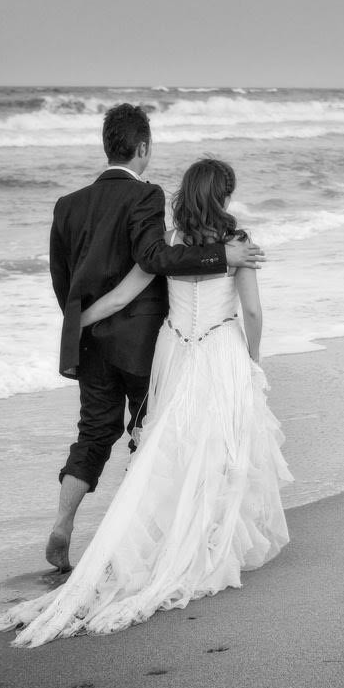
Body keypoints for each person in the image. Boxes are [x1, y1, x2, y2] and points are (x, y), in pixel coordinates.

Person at [0, 158, 290, 646]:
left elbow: (121, 294)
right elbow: (252, 309)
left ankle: (130, 535)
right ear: (224, 198)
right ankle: (209, 538)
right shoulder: (237, 245)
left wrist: (77, 326)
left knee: (167, 445)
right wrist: (253, 357)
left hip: (174, 348)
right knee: (221, 446)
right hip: (218, 348)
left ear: (186, 196)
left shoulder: (166, 244)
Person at [42, 104, 264, 573]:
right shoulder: (149, 198)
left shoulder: (66, 205)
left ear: (107, 145)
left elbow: (65, 281)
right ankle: (152, 530)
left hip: (96, 340)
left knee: (93, 434)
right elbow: (154, 257)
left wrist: (76, 324)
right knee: (153, 437)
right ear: (142, 147)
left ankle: (64, 523)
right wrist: (222, 257)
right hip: (149, 346)